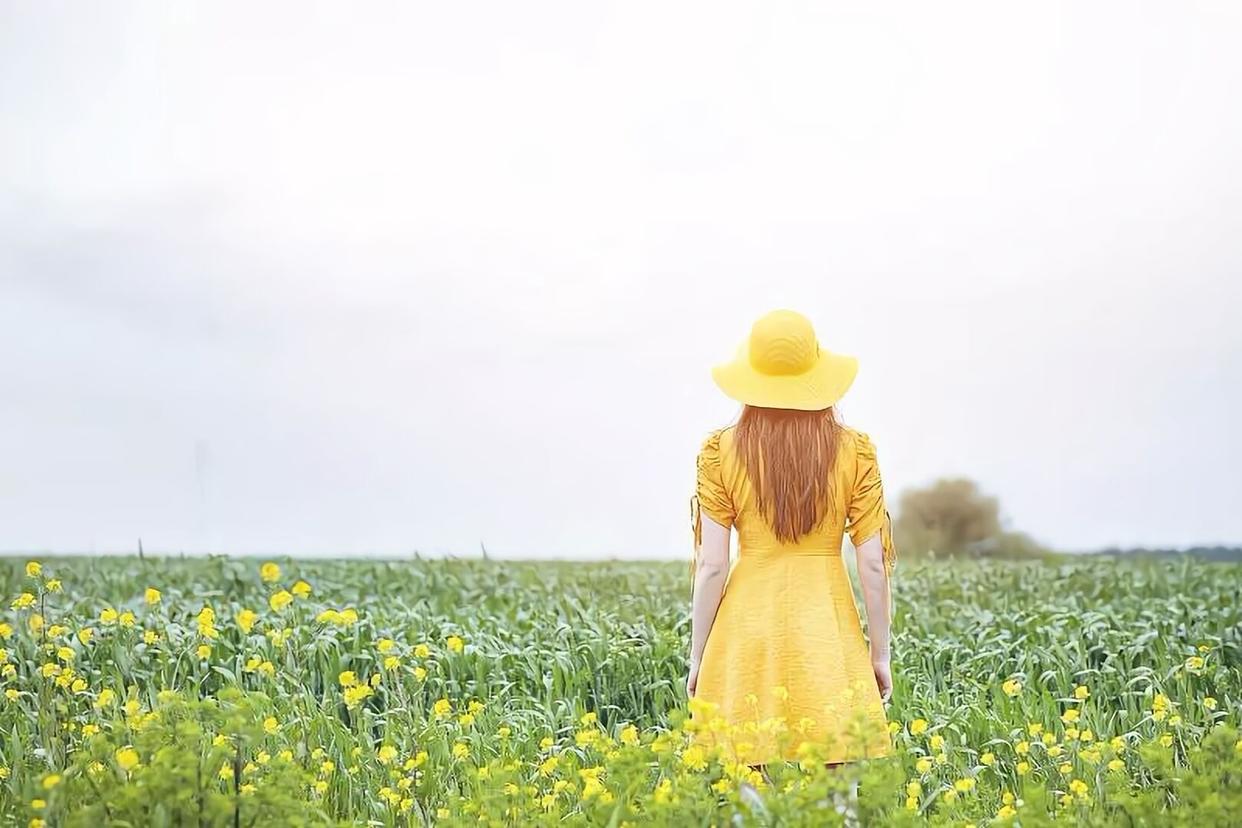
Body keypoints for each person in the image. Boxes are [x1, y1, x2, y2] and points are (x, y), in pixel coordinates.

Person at [686, 308, 896, 770]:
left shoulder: (718, 452)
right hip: (828, 626)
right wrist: (879, 654)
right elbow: (874, 565)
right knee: (839, 793)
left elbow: (712, 566)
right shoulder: (855, 449)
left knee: (747, 787)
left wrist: (699, 656)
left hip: (746, 629)